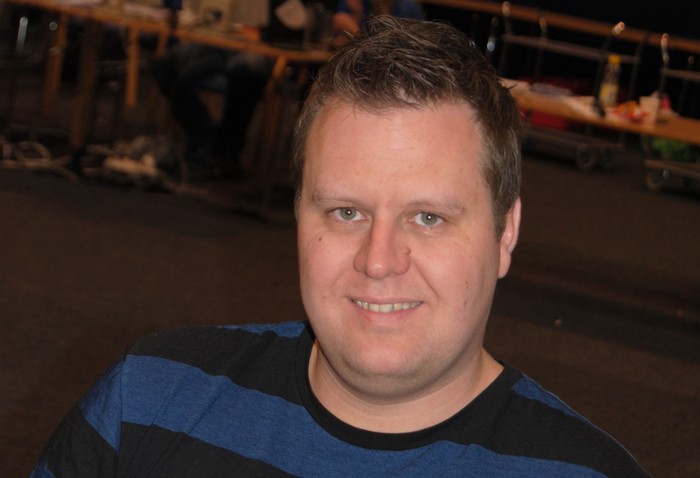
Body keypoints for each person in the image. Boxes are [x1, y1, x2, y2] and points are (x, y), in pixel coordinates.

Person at [31, 17, 649, 477]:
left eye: (428, 217)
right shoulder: (147, 401)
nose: (378, 261)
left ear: (505, 233)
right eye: (346, 211)